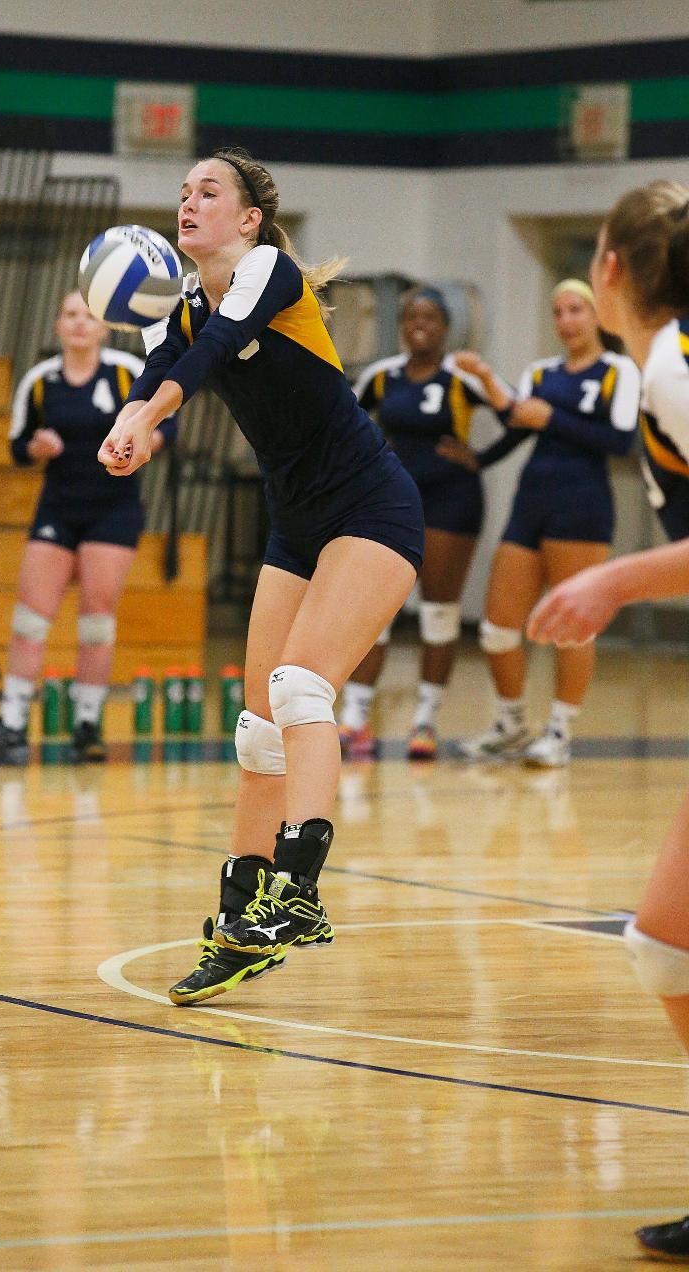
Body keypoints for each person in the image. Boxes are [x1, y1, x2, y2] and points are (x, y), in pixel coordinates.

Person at [98, 147, 423, 1005]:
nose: (188, 202)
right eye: (183, 192)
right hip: (298, 523)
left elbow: (209, 355)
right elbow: (159, 369)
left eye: (208, 191)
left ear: (248, 218)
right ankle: (242, 922)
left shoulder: (268, 272)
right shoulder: (178, 305)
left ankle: (299, 892)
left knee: (301, 687)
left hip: (370, 508)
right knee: (257, 731)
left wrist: (149, 416)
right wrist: (131, 424)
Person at [528, 178, 689, 1263]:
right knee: (667, 946)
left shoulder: (671, 367)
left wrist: (614, 579)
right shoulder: (661, 367)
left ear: (613, 268)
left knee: (667, 943)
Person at [0, 290, 175, 764]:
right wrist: (35, 448)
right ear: (58, 326)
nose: (80, 323)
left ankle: (87, 725)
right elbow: (18, 446)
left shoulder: (126, 373)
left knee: (96, 621)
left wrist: (140, 442)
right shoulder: (41, 381)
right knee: (30, 619)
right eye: (70, 315)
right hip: (57, 510)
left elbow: (167, 425)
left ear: (104, 327)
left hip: (112, 511)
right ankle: (13, 724)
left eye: (88, 316)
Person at [449, 279, 640, 768]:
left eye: (576, 310)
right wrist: (481, 446)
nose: (566, 321)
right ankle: (510, 726)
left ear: (597, 315)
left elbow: (620, 440)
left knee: (572, 626)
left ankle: (559, 731)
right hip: (531, 503)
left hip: (582, 507)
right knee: (497, 628)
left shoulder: (618, 370)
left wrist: (550, 419)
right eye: (558, 312)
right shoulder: (541, 372)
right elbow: (518, 424)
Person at [338, 286, 511, 761]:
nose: (420, 323)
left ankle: (424, 722)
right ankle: (355, 719)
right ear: (401, 325)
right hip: (392, 503)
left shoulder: (462, 375)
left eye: (430, 317)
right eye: (412, 315)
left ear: (446, 327)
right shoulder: (382, 375)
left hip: (451, 503)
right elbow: (342, 421)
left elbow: (517, 415)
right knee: (373, 611)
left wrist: (481, 457)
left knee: (438, 613)